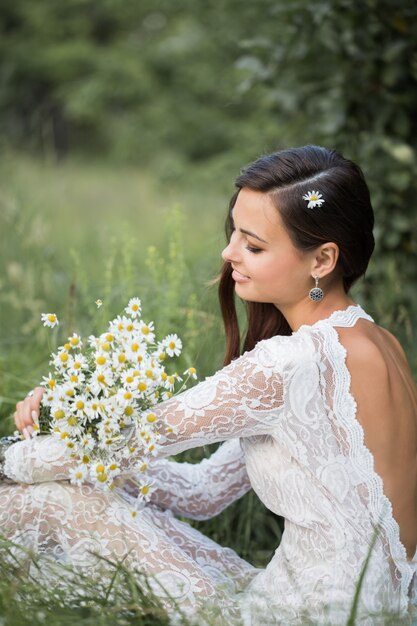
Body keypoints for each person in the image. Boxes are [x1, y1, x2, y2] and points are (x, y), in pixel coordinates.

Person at [1, 145, 416, 625]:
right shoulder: (382, 343)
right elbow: (202, 492)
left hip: (294, 618)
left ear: (322, 259)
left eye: (253, 245)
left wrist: (13, 456)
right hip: (367, 614)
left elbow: (127, 445)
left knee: (41, 500)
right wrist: (67, 429)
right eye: (234, 233)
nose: (228, 253)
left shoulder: (287, 364)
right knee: (87, 493)